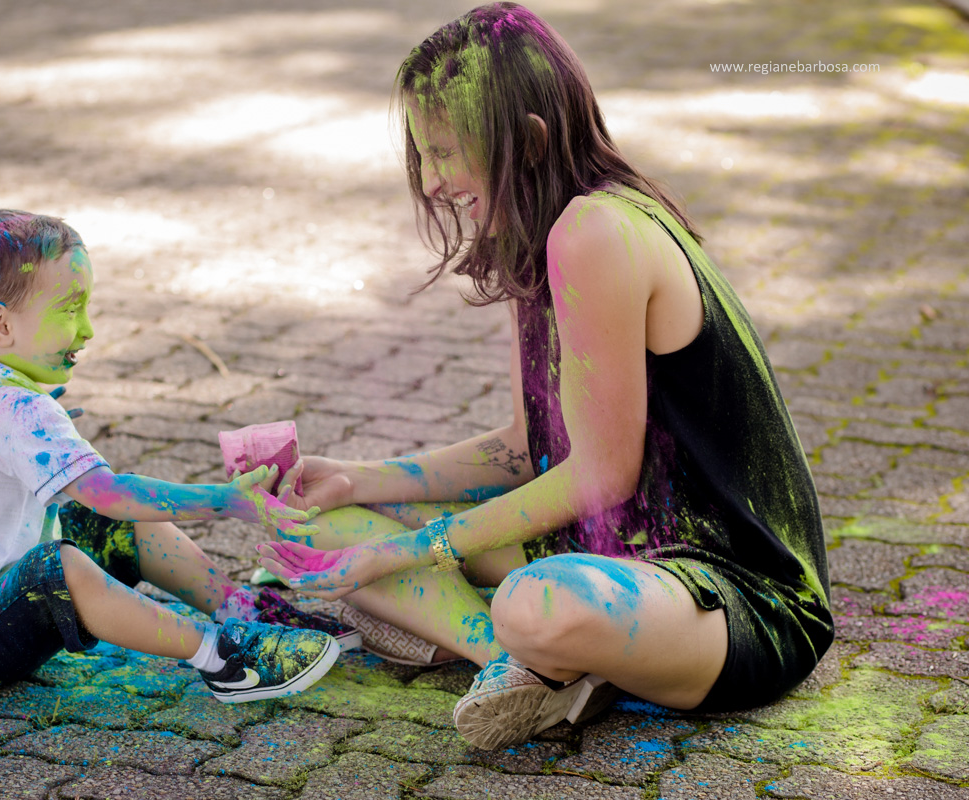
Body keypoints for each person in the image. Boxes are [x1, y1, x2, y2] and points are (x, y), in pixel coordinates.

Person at [256, 2, 833, 748]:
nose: (432, 183)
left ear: (528, 143)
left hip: (735, 596)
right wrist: (357, 480)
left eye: (446, 153)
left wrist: (412, 549)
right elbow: (527, 448)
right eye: (423, 156)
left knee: (535, 602)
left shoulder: (595, 230)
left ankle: (534, 648)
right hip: (614, 549)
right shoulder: (536, 237)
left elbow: (601, 475)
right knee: (321, 527)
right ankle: (515, 666)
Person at [0, 207, 353, 703]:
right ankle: (223, 657)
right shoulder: (13, 407)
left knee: (112, 523)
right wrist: (224, 500)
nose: (87, 329)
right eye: (70, 310)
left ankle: (245, 610)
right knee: (60, 565)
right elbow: (109, 492)